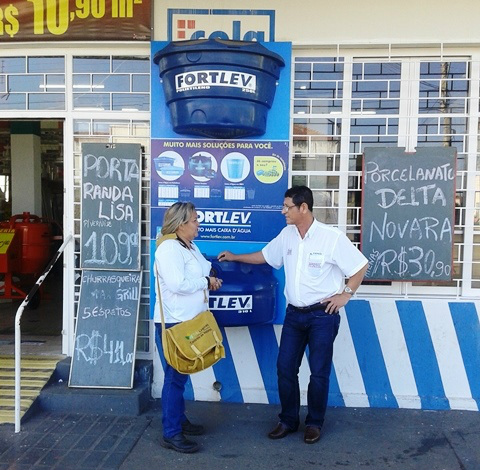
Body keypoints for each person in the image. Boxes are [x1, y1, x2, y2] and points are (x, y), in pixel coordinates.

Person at [218, 185, 368, 444]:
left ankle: (314, 423)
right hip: (294, 316)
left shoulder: (330, 237)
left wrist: (345, 294)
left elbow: (360, 265)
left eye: (287, 207)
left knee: (318, 373)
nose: (283, 211)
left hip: (322, 316)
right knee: (285, 368)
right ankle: (288, 420)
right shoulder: (287, 235)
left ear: (304, 208)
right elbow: (265, 256)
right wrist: (235, 256)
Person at [154, 202, 222, 453]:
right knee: (174, 378)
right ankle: (171, 433)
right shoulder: (169, 248)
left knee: (180, 376)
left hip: (191, 320)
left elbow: (203, 268)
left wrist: (209, 277)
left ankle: (179, 421)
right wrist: (205, 280)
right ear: (181, 224)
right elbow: (176, 283)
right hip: (174, 323)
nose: (198, 224)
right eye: (194, 220)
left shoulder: (190, 246)